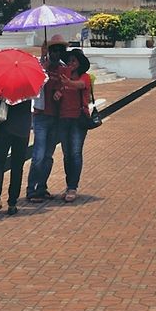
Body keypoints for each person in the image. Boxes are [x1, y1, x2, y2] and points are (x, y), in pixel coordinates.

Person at [26, 34, 67, 202]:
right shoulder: (41, 67)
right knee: (38, 155)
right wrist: (44, 65)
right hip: (41, 116)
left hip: (56, 117)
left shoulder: (64, 68)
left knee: (48, 156)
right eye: (54, 50)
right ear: (49, 51)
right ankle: (31, 189)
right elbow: (33, 85)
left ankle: (42, 187)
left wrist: (61, 92)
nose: (57, 53)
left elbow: (67, 87)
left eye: (60, 50)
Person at [0, 97, 32, 220]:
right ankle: (12, 203)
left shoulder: (4, 87)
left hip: (4, 128)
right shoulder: (28, 86)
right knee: (17, 166)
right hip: (22, 130)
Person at [57, 47, 91, 202]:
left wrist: (68, 82)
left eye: (74, 60)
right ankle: (68, 185)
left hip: (78, 119)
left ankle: (73, 187)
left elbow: (80, 86)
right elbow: (59, 93)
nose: (71, 63)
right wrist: (57, 94)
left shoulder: (84, 77)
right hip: (64, 118)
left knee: (76, 153)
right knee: (67, 154)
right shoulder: (64, 77)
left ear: (79, 63)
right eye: (69, 60)